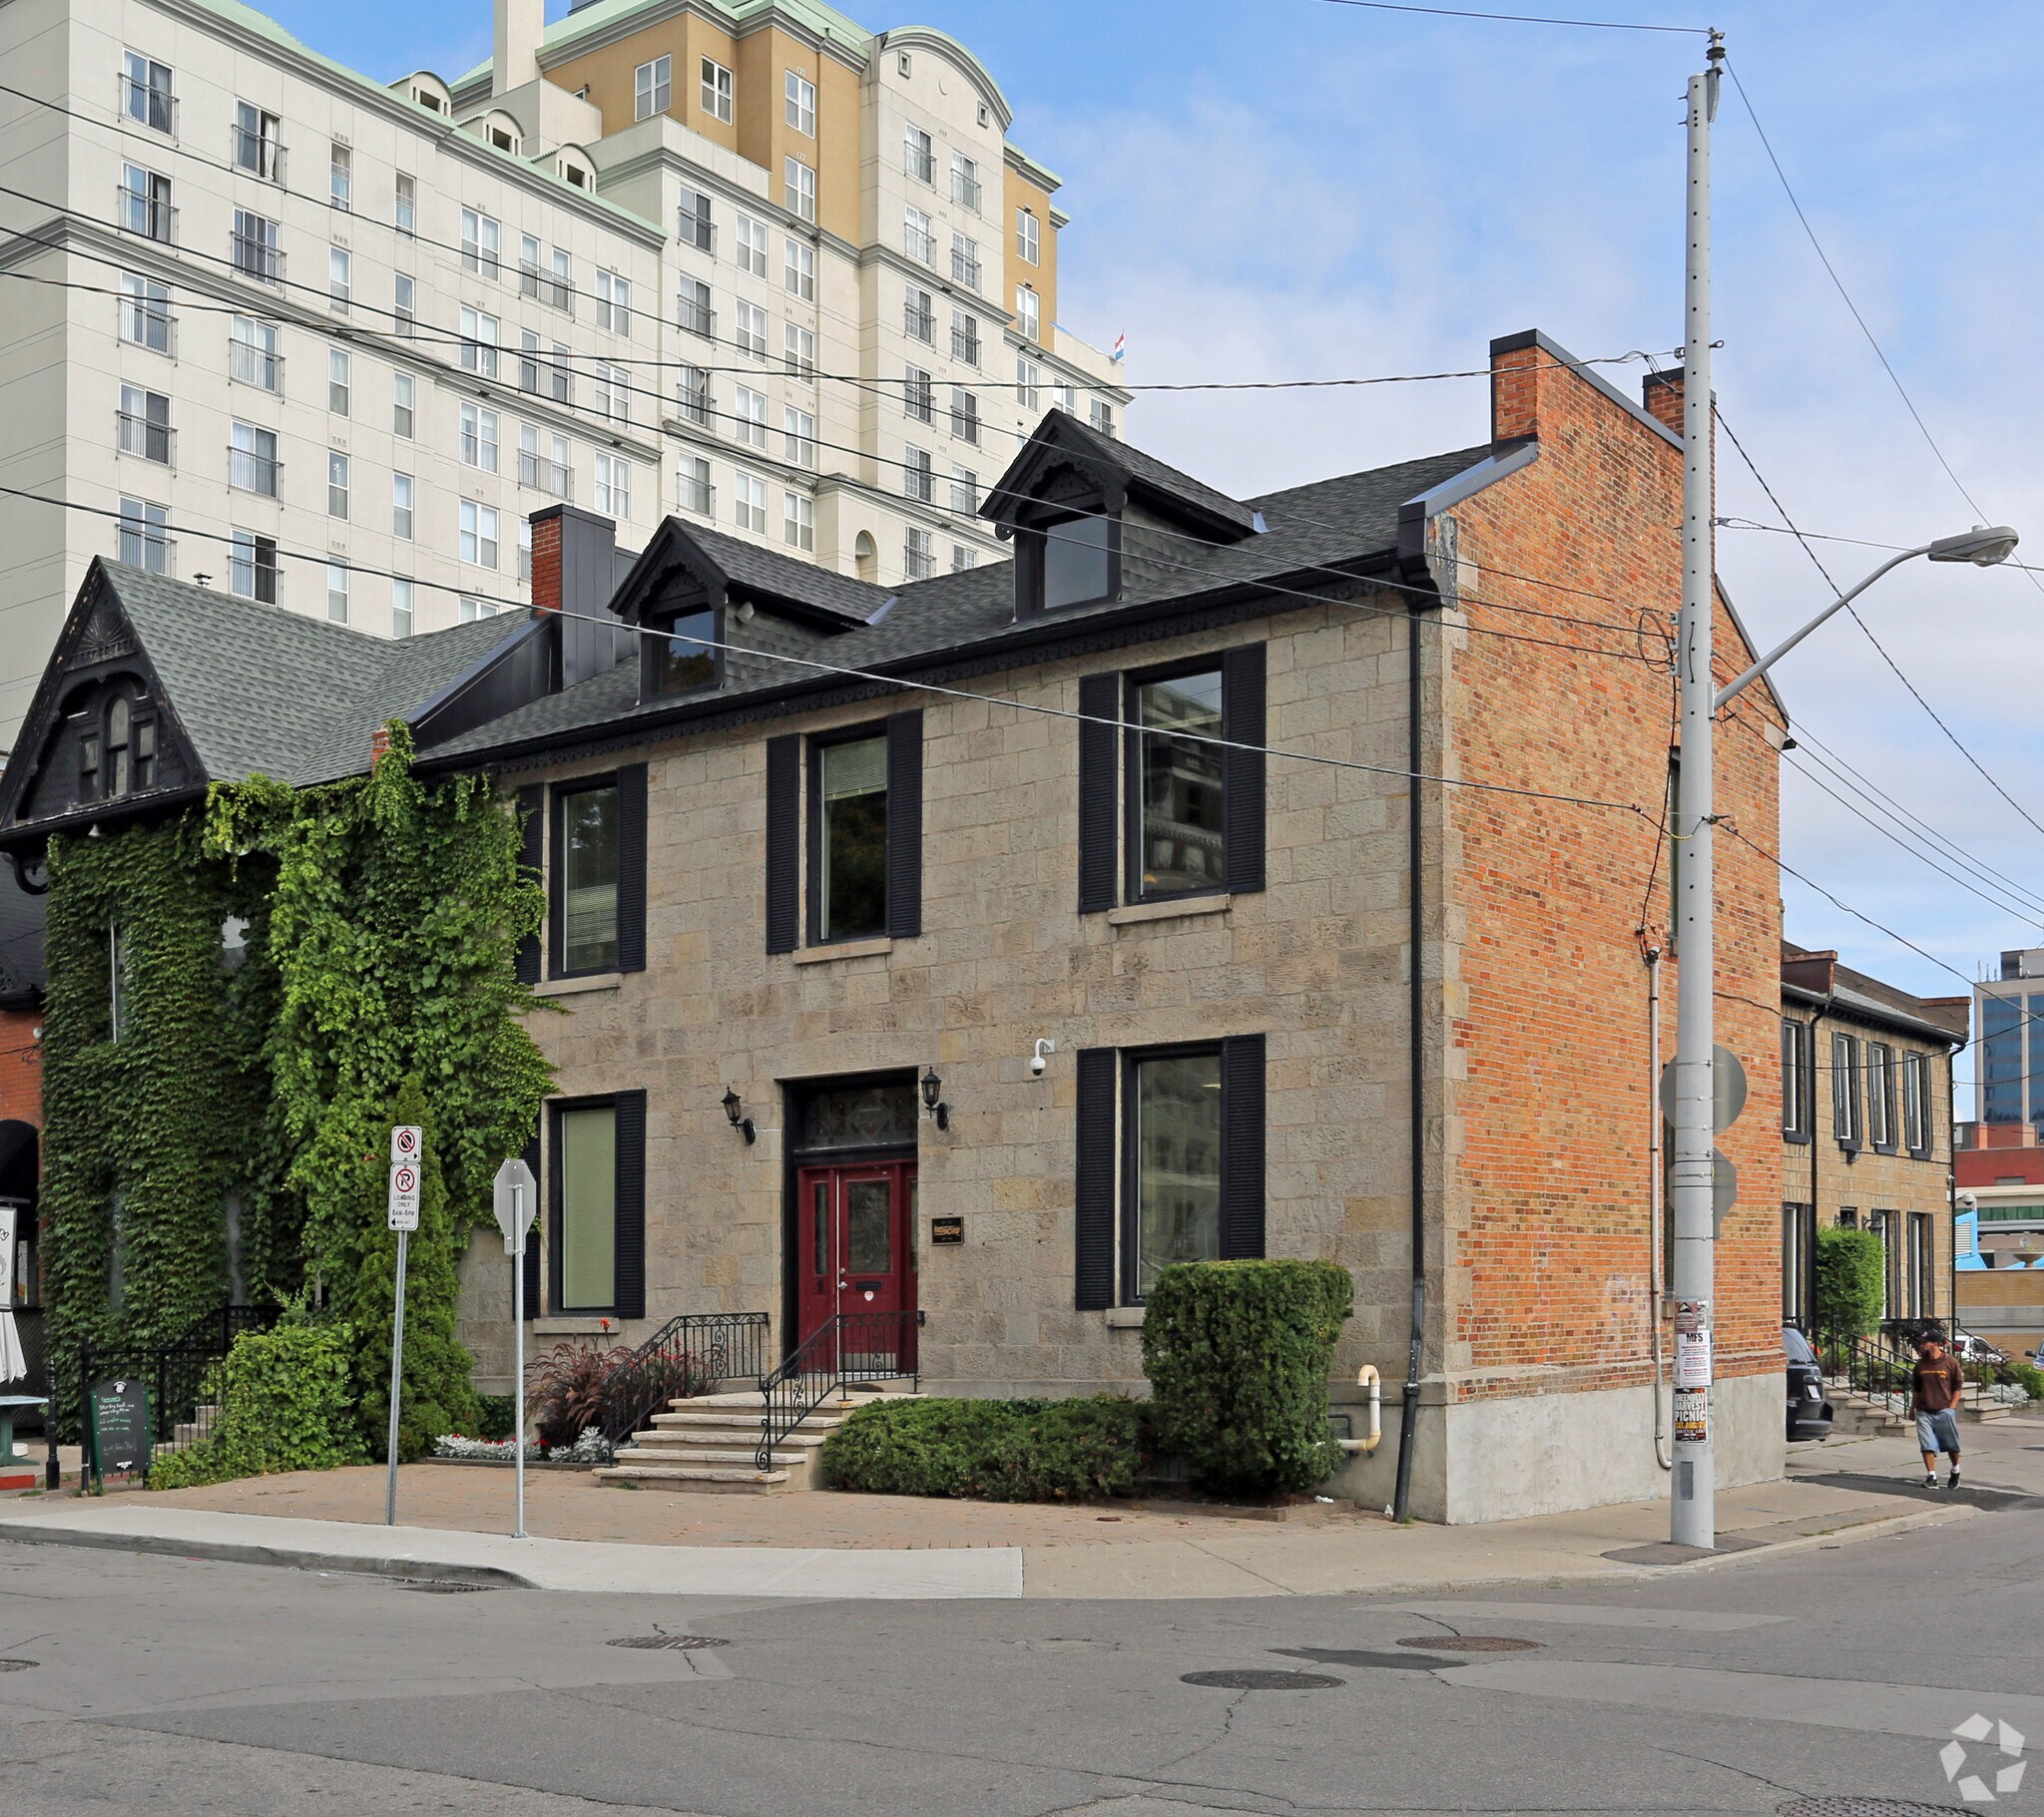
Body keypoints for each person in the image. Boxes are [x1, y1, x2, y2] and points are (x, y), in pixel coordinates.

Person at [1911, 1326, 1964, 1490]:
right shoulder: (1920, 1365)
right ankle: (1932, 1476)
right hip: (1924, 1411)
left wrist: (1951, 1408)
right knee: (1927, 1444)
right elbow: (1917, 1390)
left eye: (1924, 1342)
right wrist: (1912, 1409)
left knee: (1951, 1446)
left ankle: (1955, 1469)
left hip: (1944, 1410)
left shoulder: (1950, 1362)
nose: (1921, 1345)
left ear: (1934, 1344)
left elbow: (1957, 1387)